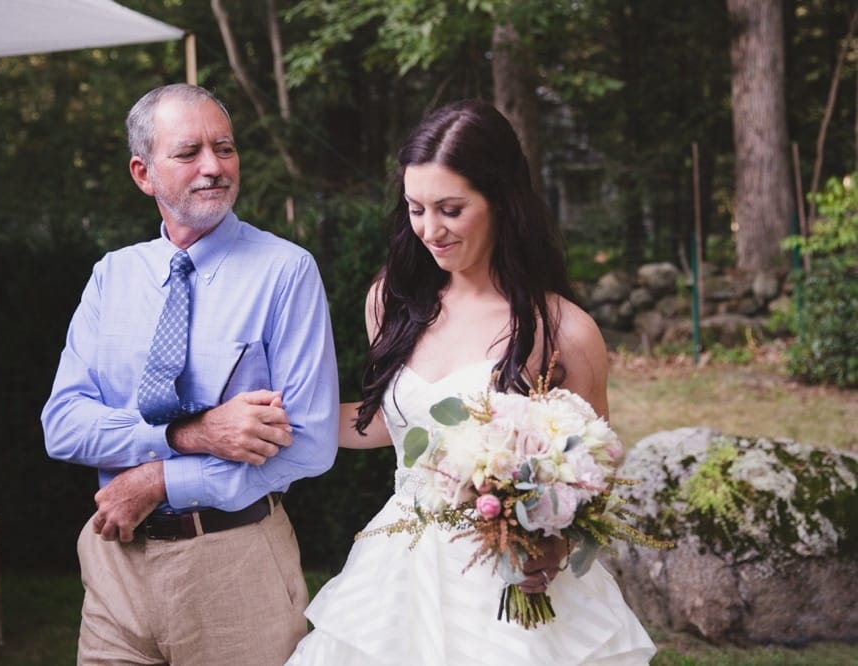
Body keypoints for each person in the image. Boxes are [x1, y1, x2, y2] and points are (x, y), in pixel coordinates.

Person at [285, 99, 655, 665]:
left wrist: (550, 545)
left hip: (508, 577)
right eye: (415, 208)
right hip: (399, 570)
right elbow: (399, 422)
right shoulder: (393, 300)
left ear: (502, 201)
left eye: (450, 209)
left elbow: (592, 471)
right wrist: (280, 419)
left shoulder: (565, 331)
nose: (429, 230)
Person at [41, 83, 339, 666]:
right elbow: (64, 425)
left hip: (235, 564)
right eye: (189, 153)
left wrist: (158, 481)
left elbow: (309, 444)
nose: (214, 167)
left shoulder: (286, 272)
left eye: (224, 148)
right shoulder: (112, 276)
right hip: (114, 565)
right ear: (143, 172)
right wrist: (187, 435)